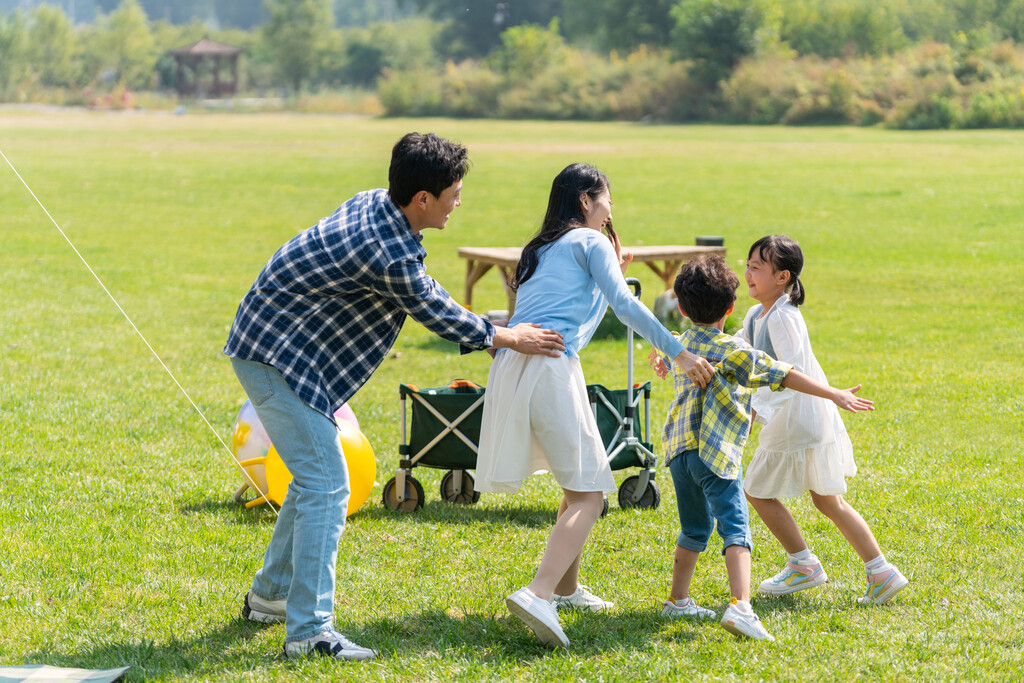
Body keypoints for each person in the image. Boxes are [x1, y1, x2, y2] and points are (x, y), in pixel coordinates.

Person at [224, 133, 566, 661]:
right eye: (453, 191)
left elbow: (423, 289)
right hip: (275, 354)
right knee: (326, 482)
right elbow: (432, 307)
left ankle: (270, 596)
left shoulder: (375, 201)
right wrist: (509, 337)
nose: (459, 201)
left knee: (316, 476)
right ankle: (310, 632)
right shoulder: (387, 253)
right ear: (422, 199)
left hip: (279, 345)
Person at [474, 163, 716, 649]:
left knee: (576, 481)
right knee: (591, 494)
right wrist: (680, 352)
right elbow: (625, 308)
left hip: (518, 364)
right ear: (586, 201)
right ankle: (539, 592)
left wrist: (613, 271)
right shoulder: (590, 243)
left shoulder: (542, 248)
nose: (610, 211)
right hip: (549, 365)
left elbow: (580, 308)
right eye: (606, 201)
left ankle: (565, 589)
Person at [649, 254, 873, 641]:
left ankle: (678, 600)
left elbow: (663, 355)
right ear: (732, 307)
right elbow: (786, 375)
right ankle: (742, 607)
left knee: (693, 529)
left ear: (682, 308)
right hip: (716, 457)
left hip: (679, 455)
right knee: (736, 533)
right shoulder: (735, 351)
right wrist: (833, 393)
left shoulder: (679, 345)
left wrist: (662, 360)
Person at [738, 235, 908, 605]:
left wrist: (831, 395)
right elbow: (739, 355)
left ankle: (804, 565)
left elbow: (788, 373)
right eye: (747, 265)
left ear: (782, 277)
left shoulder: (783, 317)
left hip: (797, 417)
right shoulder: (757, 315)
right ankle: (881, 571)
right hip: (802, 416)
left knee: (756, 489)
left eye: (757, 268)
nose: (748, 274)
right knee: (828, 500)